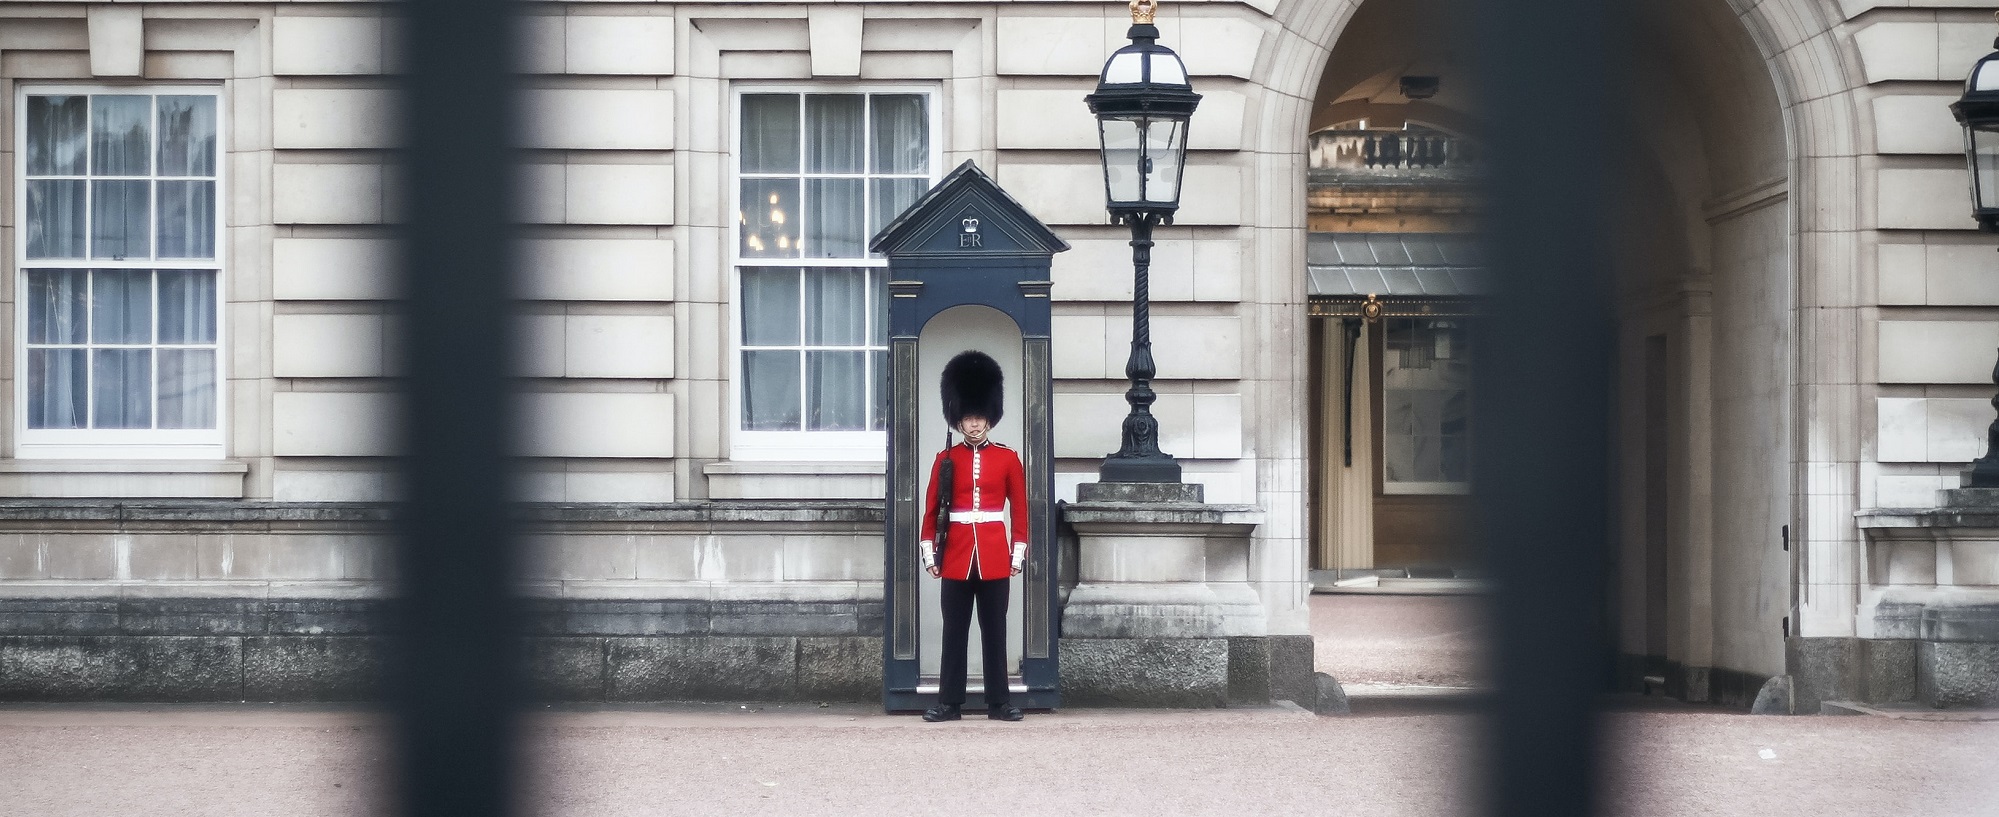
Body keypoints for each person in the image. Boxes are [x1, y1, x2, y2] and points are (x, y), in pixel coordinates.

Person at [918, 350, 1028, 722]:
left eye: (980, 417)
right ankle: (950, 703)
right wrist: (931, 554)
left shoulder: (1008, 458)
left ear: (990, 417)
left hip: (995, 554)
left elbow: (1020, 511)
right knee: (955, 631)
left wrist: (1018, 553)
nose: (975, 424)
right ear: (958, 418)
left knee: (995, 631)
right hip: (956, 555)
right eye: (968, 417)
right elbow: (932, 510)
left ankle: (999, 703)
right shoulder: (944, 459)